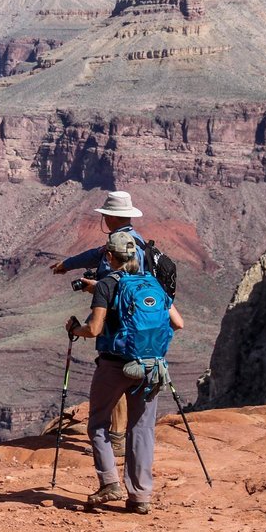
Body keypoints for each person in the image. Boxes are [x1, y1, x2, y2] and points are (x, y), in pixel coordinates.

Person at [64, 232, 183, 514]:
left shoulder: (107, 285)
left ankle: (109, 483)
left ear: (109, 256)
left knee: (98, 423)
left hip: (115, 365)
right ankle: (140, 497)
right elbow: (178, 323)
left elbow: (93, 329)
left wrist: (73, 329)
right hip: (150, 367)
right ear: (136, 257)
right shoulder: (154, 283)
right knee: (141, 430)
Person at [50, 190, 149, 457]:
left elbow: (126, 287)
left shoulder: (126, 244)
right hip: (128, 322)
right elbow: (97, 254)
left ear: (112, 216)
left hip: (119, 325)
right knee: (123, 375)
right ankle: (121, 437)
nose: (103, 216)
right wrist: (68, 265)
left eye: (106, 213)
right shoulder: (130, 241)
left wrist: (99, 288)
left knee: (116, 375)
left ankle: (116, 440)